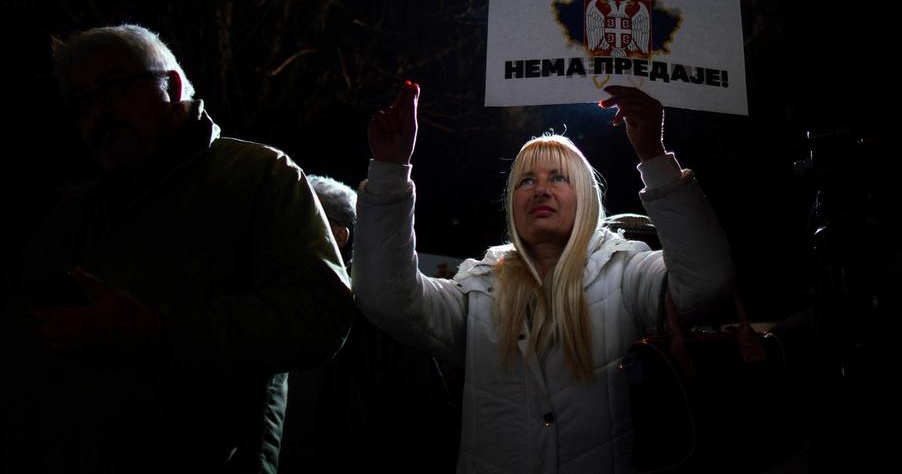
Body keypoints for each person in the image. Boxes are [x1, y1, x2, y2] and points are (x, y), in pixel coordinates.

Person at [10, 24, 354, 473]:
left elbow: (321, 312)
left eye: (113, 88)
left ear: (170, 86)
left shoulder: (259, 176)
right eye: (81, 103)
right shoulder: (75, 206)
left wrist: (159, 332)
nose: (98, 112)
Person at [352, 81, 734, 472]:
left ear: (585, 196)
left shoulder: (627, 270)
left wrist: (653, 155)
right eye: (526, 181)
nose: (540, 190)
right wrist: (389, 172)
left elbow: (705, 283)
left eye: (558, 178)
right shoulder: (479, 288)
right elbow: (386, 297)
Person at [279, 175, 459, 473]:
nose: (280, 230)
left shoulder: (382, 318)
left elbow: (429, 426)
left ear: (338, 235)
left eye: (296, 217)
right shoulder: (277, 308)